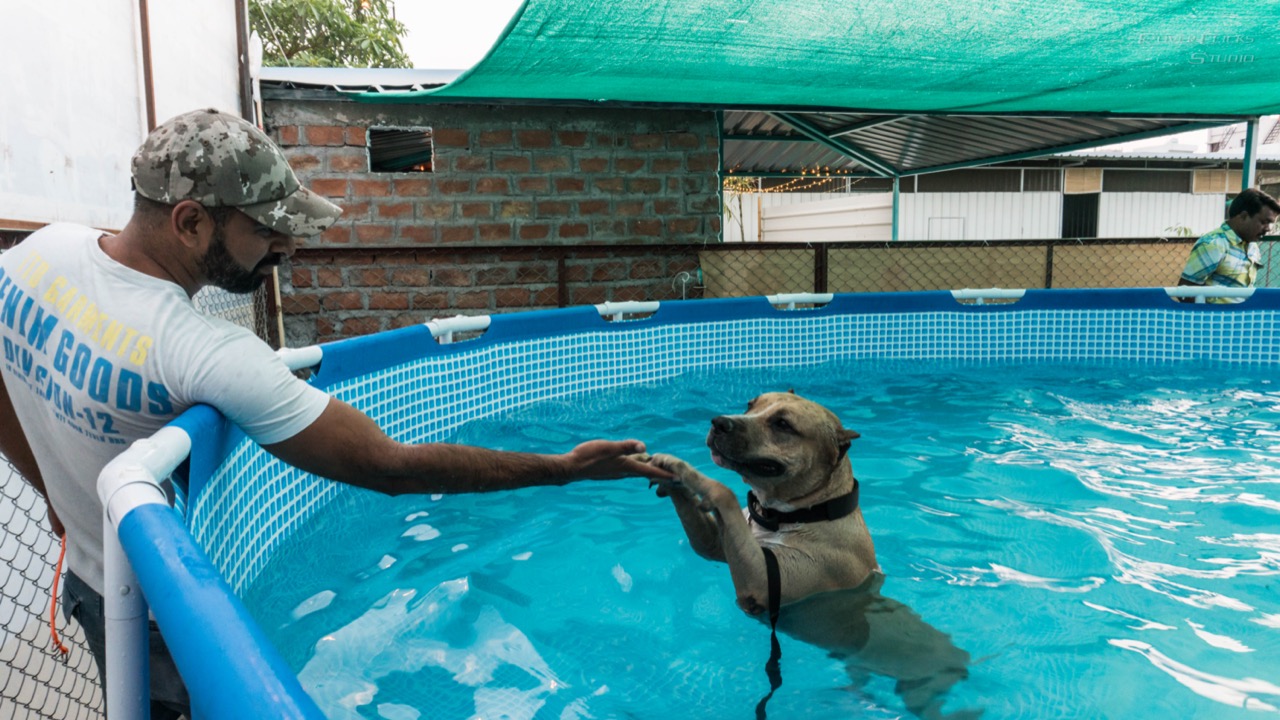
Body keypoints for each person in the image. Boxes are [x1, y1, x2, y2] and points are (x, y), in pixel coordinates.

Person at [0, 108, 670, 716]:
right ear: (190, 221)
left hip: (95, 585)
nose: (286, 250)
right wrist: (563, 468)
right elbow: (391, 466)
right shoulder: (197, 350)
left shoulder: (36, 257)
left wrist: (56, 495)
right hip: (165, 620)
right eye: (267, 230)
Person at [1177, 187, 1280, 303]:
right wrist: (1209, 317)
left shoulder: (1252, 245)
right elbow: (1184, 293)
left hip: (1242, 318)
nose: (1268, 229)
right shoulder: (1214, 244)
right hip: (1216, 319)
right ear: (1243, 216)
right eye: (1264, 222)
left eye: (1271, 224)